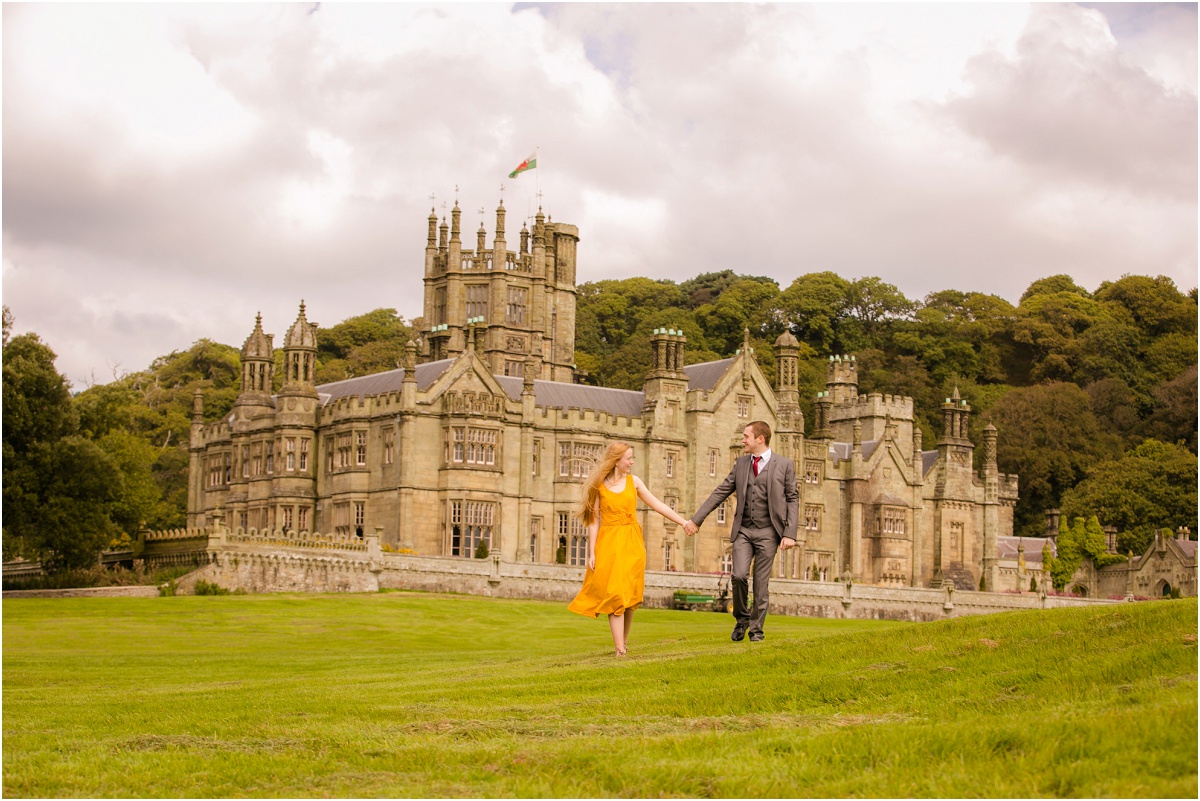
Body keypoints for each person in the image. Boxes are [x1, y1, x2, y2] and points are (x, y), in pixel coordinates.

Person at [569, 441, 691, 656]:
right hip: (609, 543)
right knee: (615, 594)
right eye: (629, 458)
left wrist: (683, 522)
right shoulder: (599, 486)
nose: (632, 462)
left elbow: (658, 505)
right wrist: (592, 553)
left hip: (632, 542)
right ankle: (619, 650)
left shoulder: (633, 482)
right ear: (617, 461)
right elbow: (594, 521)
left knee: (630, 596)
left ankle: (623, 643)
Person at [684, 421, 798, 642]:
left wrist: (789, 533)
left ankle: (756, 630)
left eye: (746, 436)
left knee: (761, 584)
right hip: (744, 531)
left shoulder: (784, 465)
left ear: (760, 439)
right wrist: (696, 520)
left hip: (769, 532)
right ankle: (741, 619)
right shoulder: (742, 464)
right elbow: (721, 492)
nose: (743, 440)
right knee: (738, 576)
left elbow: (793, 498)